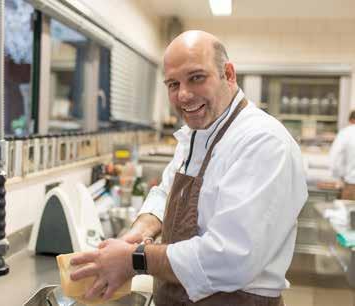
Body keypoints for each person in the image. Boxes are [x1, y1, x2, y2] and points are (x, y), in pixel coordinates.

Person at [69, 30, 308, 306]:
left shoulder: (263, 141)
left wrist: (134, 258)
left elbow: (231, 257)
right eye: (173, 84)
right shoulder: (198, 131)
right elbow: (167, 193)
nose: (183, 95)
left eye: (196, 77)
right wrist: (137, 235)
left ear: (228, 74)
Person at [329, 110, 355, 200]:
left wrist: (339, 177)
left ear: (351, 120)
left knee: (347, 213)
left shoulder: (346, 133)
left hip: (351, 184)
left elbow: (334, 158)